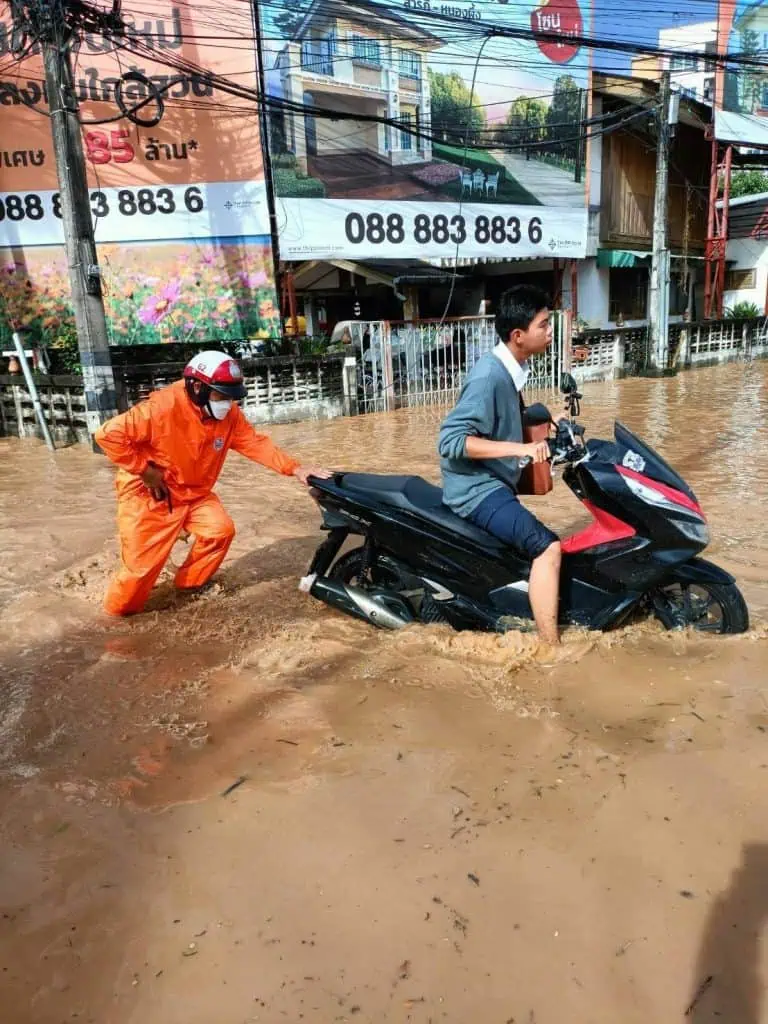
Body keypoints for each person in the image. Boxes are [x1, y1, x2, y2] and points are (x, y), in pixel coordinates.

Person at [95, 350, 331, 617]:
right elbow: (107, 434)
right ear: (197, 387)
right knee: (138, 573)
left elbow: (255, 444)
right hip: (152, 495)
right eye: (222, 395)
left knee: (220, 531)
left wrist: (295, 468)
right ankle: (113, 623)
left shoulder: (228, 415)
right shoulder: (160, 409)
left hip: (194, 492)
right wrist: (144, 470)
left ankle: (187, 587)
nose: (228, 404)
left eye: (232, 397)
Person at [437, 285, 562, 645]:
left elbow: (507, 416)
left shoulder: (511, 369)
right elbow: (451, 441)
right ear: (518, 335)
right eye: (544, 325)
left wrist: (549, 418)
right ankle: (551, 647)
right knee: (547, 547)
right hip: (476, 490)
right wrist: (518, 447)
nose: (550, 331)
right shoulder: (489, 377)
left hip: (494, 482)